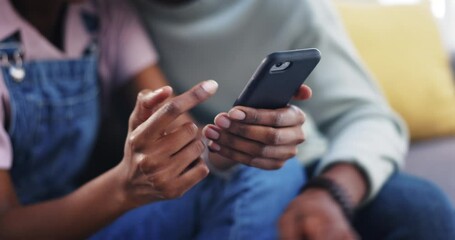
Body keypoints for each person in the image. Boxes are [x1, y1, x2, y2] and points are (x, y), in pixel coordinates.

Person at [131, 0, 455, 239]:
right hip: (207, 168)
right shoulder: (111, 17)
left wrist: (330, 194)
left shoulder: (291, 7)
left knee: (423, 210)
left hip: (310, 161)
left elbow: (367, 116)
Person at [0, 0, 308, 239]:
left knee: (267, 171)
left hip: (97, 216)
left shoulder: (103, 14)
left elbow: (178, 132)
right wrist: (123, 188)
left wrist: (236, 145)